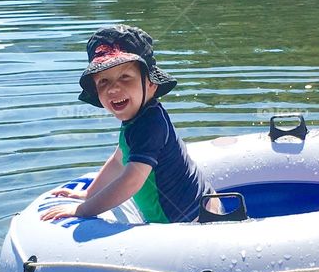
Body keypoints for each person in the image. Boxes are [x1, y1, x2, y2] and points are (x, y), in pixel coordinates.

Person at [40, 25, 218, 223]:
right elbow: (118, 160)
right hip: (193, 211)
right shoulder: (136, 119)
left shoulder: (149, 125)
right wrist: (88, 194)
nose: (114, 88)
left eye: (125, 77)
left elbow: (132, 180)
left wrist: (83, 210)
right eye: (103, 82)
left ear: (151, 84)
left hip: (195, 219)